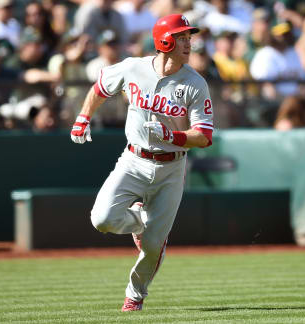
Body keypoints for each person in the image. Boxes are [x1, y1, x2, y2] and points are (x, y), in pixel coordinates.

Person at [70, 14, 213, 312]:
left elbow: (203, 136)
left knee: (153, 245)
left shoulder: (195, 83)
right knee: (102, 219)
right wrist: (84, 117)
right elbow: (100, 87)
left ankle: (135, 296)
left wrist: (172, 136)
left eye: (189, 37)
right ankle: (137, 222)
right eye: (182, 37)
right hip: (133, 159)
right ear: (165, 40)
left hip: (171, 167)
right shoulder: (133, 67)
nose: (188, 43)